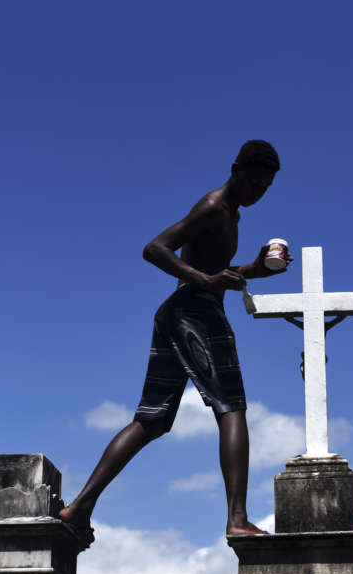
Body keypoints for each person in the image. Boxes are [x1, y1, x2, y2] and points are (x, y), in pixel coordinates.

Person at [58, 140, 288, 536]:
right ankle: (237, 520)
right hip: (196, 313)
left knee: (153, 419)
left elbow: (213, 268)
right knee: (231, 408)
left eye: (264, 188)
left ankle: (79, 507)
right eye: (252, 183)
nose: (256, 193)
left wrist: (254, 269)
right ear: (235, 169)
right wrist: (205, 280)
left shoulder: (232, 214)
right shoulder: (214, 206)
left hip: (177, 314)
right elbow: (155, 249)